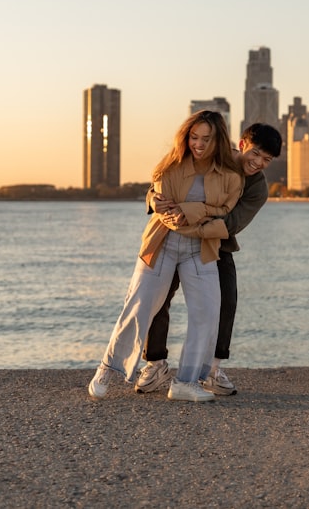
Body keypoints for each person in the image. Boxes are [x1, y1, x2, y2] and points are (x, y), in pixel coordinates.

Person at [88, 110, 243, 402]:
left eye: (206, 139)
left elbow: (224, 210)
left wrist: (190, 211)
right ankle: (107, 368)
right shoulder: (171, 165)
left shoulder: (231, 177)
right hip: (163, 242)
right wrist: (186, 212)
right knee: (139, 307)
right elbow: (166, 210)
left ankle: (186, 382)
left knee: (208, 313)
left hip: (201, 247)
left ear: (218, 141)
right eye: (194, 137)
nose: (198, 144)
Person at [134, 122, 282, 396]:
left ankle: (211, 370)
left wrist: (191, 217)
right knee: (158, 297)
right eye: (256, 153)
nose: (259, 162)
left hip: (217, 243)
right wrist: (153, 200)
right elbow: (164, 180)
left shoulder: (257, 187)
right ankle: (156, 364)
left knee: (226, 301)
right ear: (242, 145)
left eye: (267, 160)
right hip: (173, 235)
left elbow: (233, 223)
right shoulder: (210, 154)